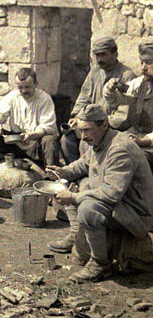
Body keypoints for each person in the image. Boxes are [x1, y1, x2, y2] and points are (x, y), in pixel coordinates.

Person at [46, 104, 153, 283]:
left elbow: (112, 194)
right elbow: (85, 163)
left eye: (87, 130)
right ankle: (76, 236)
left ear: (104, 124)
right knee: (75, 186)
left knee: (88, 207)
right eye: (81, 130)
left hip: (136, 214)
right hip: (119, 206)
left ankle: (100, 265)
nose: (83, 136)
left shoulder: (119, 149)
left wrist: (73, 198)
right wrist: (63, 172)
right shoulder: (100, 139)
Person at [0, 67, 59, 188]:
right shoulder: (12, 96)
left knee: (50, 139)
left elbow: (48, 126)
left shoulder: (44, 98)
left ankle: (50, 181)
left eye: (27, 87)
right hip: (14, 143)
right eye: (20, 87)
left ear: (36, 84)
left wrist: (31, 135)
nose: (23, 90)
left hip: (35, 143)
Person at [61, 36, 135, 164]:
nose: (100, 59)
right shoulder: (95, 71)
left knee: (88, 141)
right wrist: (78, 117)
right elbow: (84, 97)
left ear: (115, 54)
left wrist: (98, 123)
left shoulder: (126, 76)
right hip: (91, 124)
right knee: (66, 139)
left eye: (103, 55)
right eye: (97, 55)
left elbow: (124, 115)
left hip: (111, 127)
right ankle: (75, 176)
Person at [104, 42, 153, 167]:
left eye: (148, 62)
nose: (143, 67)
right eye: (142, 62)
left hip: (149, 144)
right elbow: (118, 100)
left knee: (131, 157)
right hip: (138, 137)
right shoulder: (141, 83)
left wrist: (145, 141)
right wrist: (110, 90)